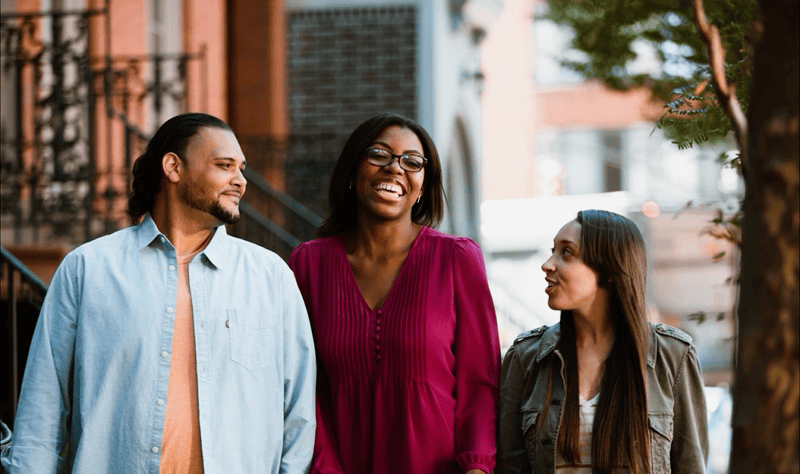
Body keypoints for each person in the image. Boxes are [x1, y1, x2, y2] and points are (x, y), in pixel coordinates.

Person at [1, 113, 316, 473]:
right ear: (173, 167)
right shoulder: (87, 270)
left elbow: (299, 417)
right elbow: (43, 409)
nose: (240, 181)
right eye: (224, 165)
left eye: (241, 168)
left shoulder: (270, 277)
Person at [288, 113, 500, 474]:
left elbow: (479, 383)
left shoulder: (457, 259)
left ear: (422, 186)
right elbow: (305, 387)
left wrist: (477, 466)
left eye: (412, 162)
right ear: (353, 173)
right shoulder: (309, 264)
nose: (395, 169)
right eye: (379, 154)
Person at [497, 210, 708, 473]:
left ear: (609, 268)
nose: (548, 264)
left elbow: (690, 466)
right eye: (553, 251)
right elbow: (510, 467)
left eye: (566, 253)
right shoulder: (524, 358)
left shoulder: (673, 356)